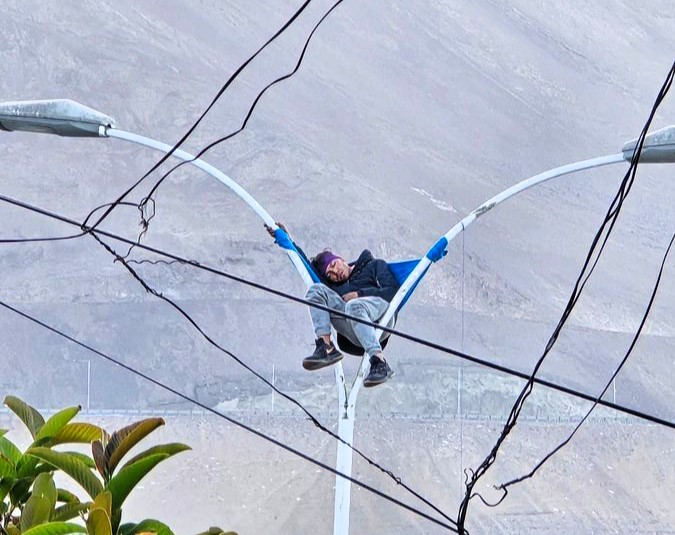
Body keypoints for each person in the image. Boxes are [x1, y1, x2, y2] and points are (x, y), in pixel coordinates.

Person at [266, 223, 398, 388]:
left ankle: (379, 362)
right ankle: (327, 347)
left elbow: (392, 291)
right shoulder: (335, 289)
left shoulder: (373, 265)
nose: (335, 272)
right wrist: (286, 240)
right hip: (354, 329)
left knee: (353, 306)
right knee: (316, 290)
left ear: (341, 258)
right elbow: (306, 268)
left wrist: (359, 295)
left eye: (334, 264)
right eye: (331, 274)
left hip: (381, 319)